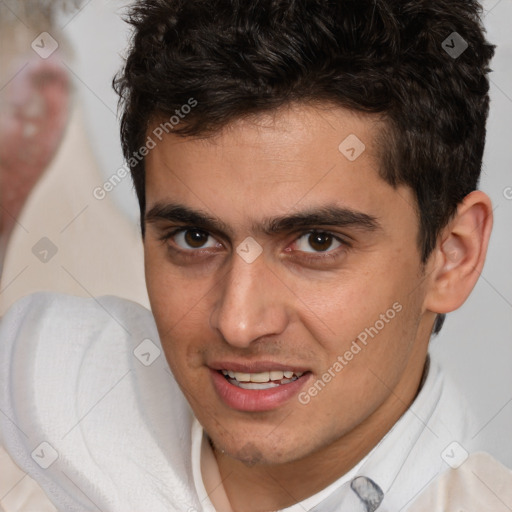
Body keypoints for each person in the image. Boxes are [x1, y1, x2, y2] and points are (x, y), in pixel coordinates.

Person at [1, 0, 511, 511]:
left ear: (453, 256)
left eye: (317, 242)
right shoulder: (29, 412)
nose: (238, 323)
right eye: (194, 238)